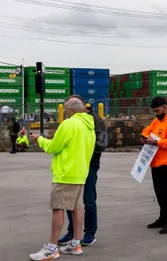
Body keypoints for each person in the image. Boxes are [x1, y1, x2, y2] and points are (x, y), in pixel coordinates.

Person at [29, 97, 95, 260]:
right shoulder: (89, 126)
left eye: (66, 110)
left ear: (72, 110)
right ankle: (76, 243)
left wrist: (39, 139)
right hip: (80, 173)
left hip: (66, 173)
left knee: (58, 208)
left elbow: (53, 147)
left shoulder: (69, 124)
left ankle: (51, 248)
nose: (65, 114)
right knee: (77, 208)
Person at [58, 99, 108, 246]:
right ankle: (72, 232)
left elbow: (102, 143)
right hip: (73, 166)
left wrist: (82, 149)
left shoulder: (96, 121)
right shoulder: (71, 121)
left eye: (68, 111)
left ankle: (90, 233)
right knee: (70, 201)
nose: (67, 114)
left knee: (89, 200)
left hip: (90, 166)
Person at [142, 97, 167, 234]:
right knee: (159, 192)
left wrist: (155, 142)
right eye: (154, 111)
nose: (156, 114)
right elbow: (147, 130)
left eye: (158, 111)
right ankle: (163, 218)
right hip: (155, 162)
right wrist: (144, 137)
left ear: (165, 107)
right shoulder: (157, 121)